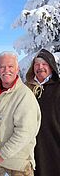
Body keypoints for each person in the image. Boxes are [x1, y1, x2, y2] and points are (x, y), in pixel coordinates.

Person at [0, 51, 41, 176]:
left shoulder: (24, 96)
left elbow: (25, 133)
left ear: (17, 69)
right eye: (2, 67)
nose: (6, 70)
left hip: (18, 159)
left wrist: (2, 155)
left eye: (10, 66)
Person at [25, 48, 60, 176]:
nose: (40, 67)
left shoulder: (58, 87)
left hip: (54, 141)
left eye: (44, 64)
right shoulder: (26, 88)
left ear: (51, 67)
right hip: (31, 145)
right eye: (37, 64)